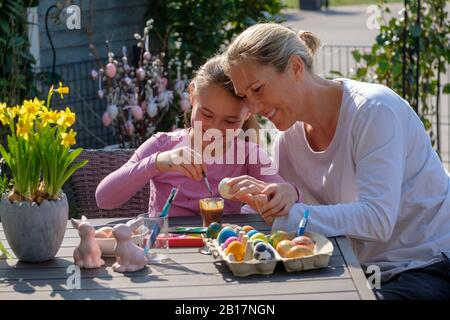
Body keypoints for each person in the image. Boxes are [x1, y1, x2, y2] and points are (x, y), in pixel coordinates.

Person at [222, 22, 450, 299]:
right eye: (245, 97)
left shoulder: (374, 111)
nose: (253, 109)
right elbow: (284, 217)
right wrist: (259, 203)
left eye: (258, 89)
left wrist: (292, 214)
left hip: (427, 265)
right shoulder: (288, 138)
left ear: (295, 68)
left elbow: (377, 219)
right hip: (356, 269)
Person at [95, 54, 299, 218]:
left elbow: (283, 198)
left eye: (230, 121)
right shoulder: (163, 146)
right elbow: (104, 199)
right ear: (192, 95)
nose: (215, 128)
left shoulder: (248, 154)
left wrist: (289, 193)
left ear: (249, 113)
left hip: (224, 254)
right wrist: (157, 162)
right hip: (169, 256)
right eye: (206, 114)